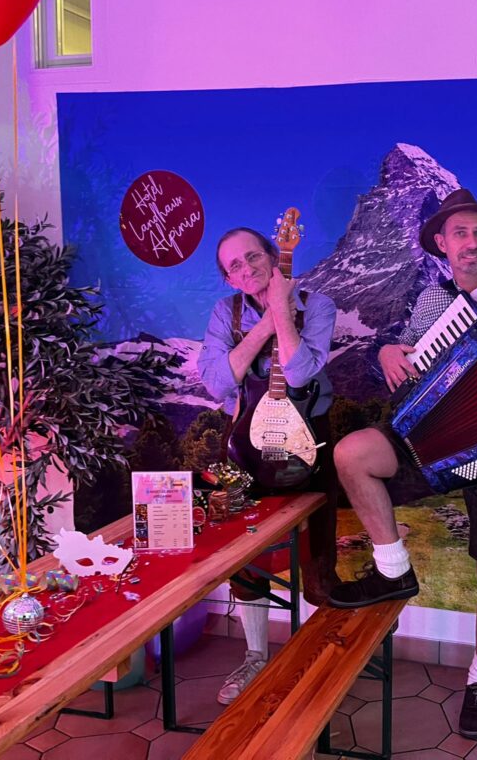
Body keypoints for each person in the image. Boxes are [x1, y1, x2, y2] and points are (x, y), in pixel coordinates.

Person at [327, 189, 477, 739]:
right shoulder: (433, 301)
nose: (471, 242)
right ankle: (393, 570)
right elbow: (409, 353)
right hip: (437, 445)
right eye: (460, 233)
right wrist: (389, 350)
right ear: (441, 243)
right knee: (352, 453)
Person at [197, 226, 340, 705]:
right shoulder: (225, 313)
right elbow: (218, 383)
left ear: (272, 255)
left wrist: (282, 308)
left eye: (253, 257)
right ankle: (256, 655)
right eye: (234, 266)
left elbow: (300, 372)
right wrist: (267, 322)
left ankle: (323, 655)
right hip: (244, 449)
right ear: (229, 278)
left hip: (310, 444)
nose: (246, 269)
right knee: (242, 550)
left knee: (319, 553)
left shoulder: (318, 305)